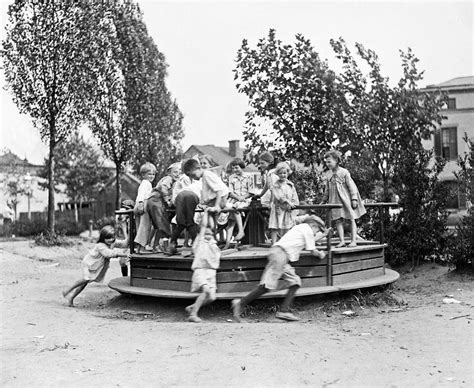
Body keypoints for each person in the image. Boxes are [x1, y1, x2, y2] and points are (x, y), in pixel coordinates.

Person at [232, 215, 330, 322]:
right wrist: (320, 255)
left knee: (295, 282)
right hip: (280, 255)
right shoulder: (306, 229)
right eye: (317, 230)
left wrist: (323, 235)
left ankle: (284, 311)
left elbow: (310, 240)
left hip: (282, 255)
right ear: (313, 225)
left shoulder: (301, 228)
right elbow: (312, 249)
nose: (316, 233)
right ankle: (240, 303)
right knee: (266, 286)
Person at [62, 226, 130, 307]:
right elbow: (109, 254)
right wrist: (124, 254)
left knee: (83, 284)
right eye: (108, 238)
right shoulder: (100, 245)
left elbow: (124, 244)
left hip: (95, 266)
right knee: (85, 279)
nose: (111, 240)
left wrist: (130, 235)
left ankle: (71, 298)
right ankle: (67, 290)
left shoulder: (112, 243)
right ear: (102, 238)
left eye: (112, 237)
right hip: (88, 264)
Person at [321, 150, 366, 248]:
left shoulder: (344, 172)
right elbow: (327, 190)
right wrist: (323, 201)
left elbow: (351, 186)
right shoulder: (328, 174)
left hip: (346, 199)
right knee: (338, 220)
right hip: (335, 200)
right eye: (326, 162)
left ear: (336, 161)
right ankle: (342, 241)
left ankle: (353, 241)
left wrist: (354, 199)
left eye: (329, 162)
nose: (327, 164)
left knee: (351, 219)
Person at [185, 209, 221, 322]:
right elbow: (204, 226)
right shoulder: (199, 242)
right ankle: (193, 315)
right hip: (200, 270)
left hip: (211, 272)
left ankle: (192, 307)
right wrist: (205, 213)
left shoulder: (214, 245)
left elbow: (212, 227)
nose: (208, 235)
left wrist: (213, 214)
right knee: (205, 291)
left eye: (210, 234)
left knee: (212, 297)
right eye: (206, 234)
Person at [137, 163, 180, 253]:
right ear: (169, 173)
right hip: (154, 202)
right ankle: (145, 247)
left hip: (154, 203)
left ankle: (153, 245)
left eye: (153, 174)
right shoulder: (168, 179)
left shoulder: (151, 183)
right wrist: (167, 200)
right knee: (159, 224)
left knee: (156, 225)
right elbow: (163, 188)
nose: (178, 174)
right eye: (175, 172)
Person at [224, 158, 255, 248]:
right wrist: (237, 198)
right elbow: (230, 192)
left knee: (236, 208)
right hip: (234, 199)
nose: (235, 170)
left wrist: (242, 198)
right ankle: (227, 243)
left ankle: (241, 231)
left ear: (241, 167)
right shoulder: (231, 177)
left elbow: (251, 192)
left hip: (245, 200)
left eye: (236, 168)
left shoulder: (249, 177)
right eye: (233, 168)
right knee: (230, 220)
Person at [268, 162, 299, 244]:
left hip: (287, 209)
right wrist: (287, 201)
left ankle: (286, 242)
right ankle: (274, 243)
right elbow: (279, 196)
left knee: (287, 225)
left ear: (287, 173)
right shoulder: (276, 185)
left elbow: (294, 196)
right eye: (280, 173)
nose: (282, 175)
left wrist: (293, 204)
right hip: (278, 207)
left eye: (284, 173)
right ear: (278, 174)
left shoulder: (290, 185)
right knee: (275, 226)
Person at [133, 162, 156, 235]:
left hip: (140, 204)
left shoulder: (147, 183)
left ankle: (139, 244)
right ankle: (141, 244)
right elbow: (141, 194)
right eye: (149, 174)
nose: (152, 176)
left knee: (139, 227)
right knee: (142, 227)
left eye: (153, 174)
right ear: (143, 175)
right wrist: (140, 204)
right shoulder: (146, 183)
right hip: (141, 205)